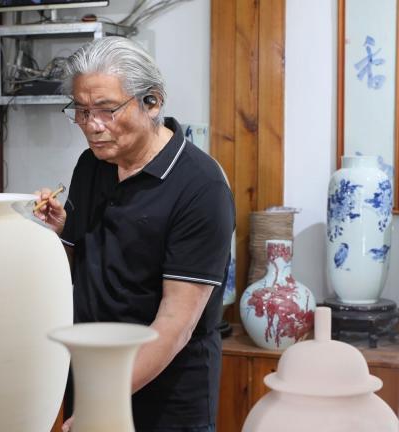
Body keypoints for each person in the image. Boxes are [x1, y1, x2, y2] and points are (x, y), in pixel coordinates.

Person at [34, 36, 234, 432]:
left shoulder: (201, 187)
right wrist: (58, 231)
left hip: (168, 398)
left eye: (106, 110)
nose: (92, 126)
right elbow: (73, 266)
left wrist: (104, 400)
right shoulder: (91, 165)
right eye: (81, 110)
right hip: (90, 374)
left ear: (152, 102)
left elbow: (176, 322)